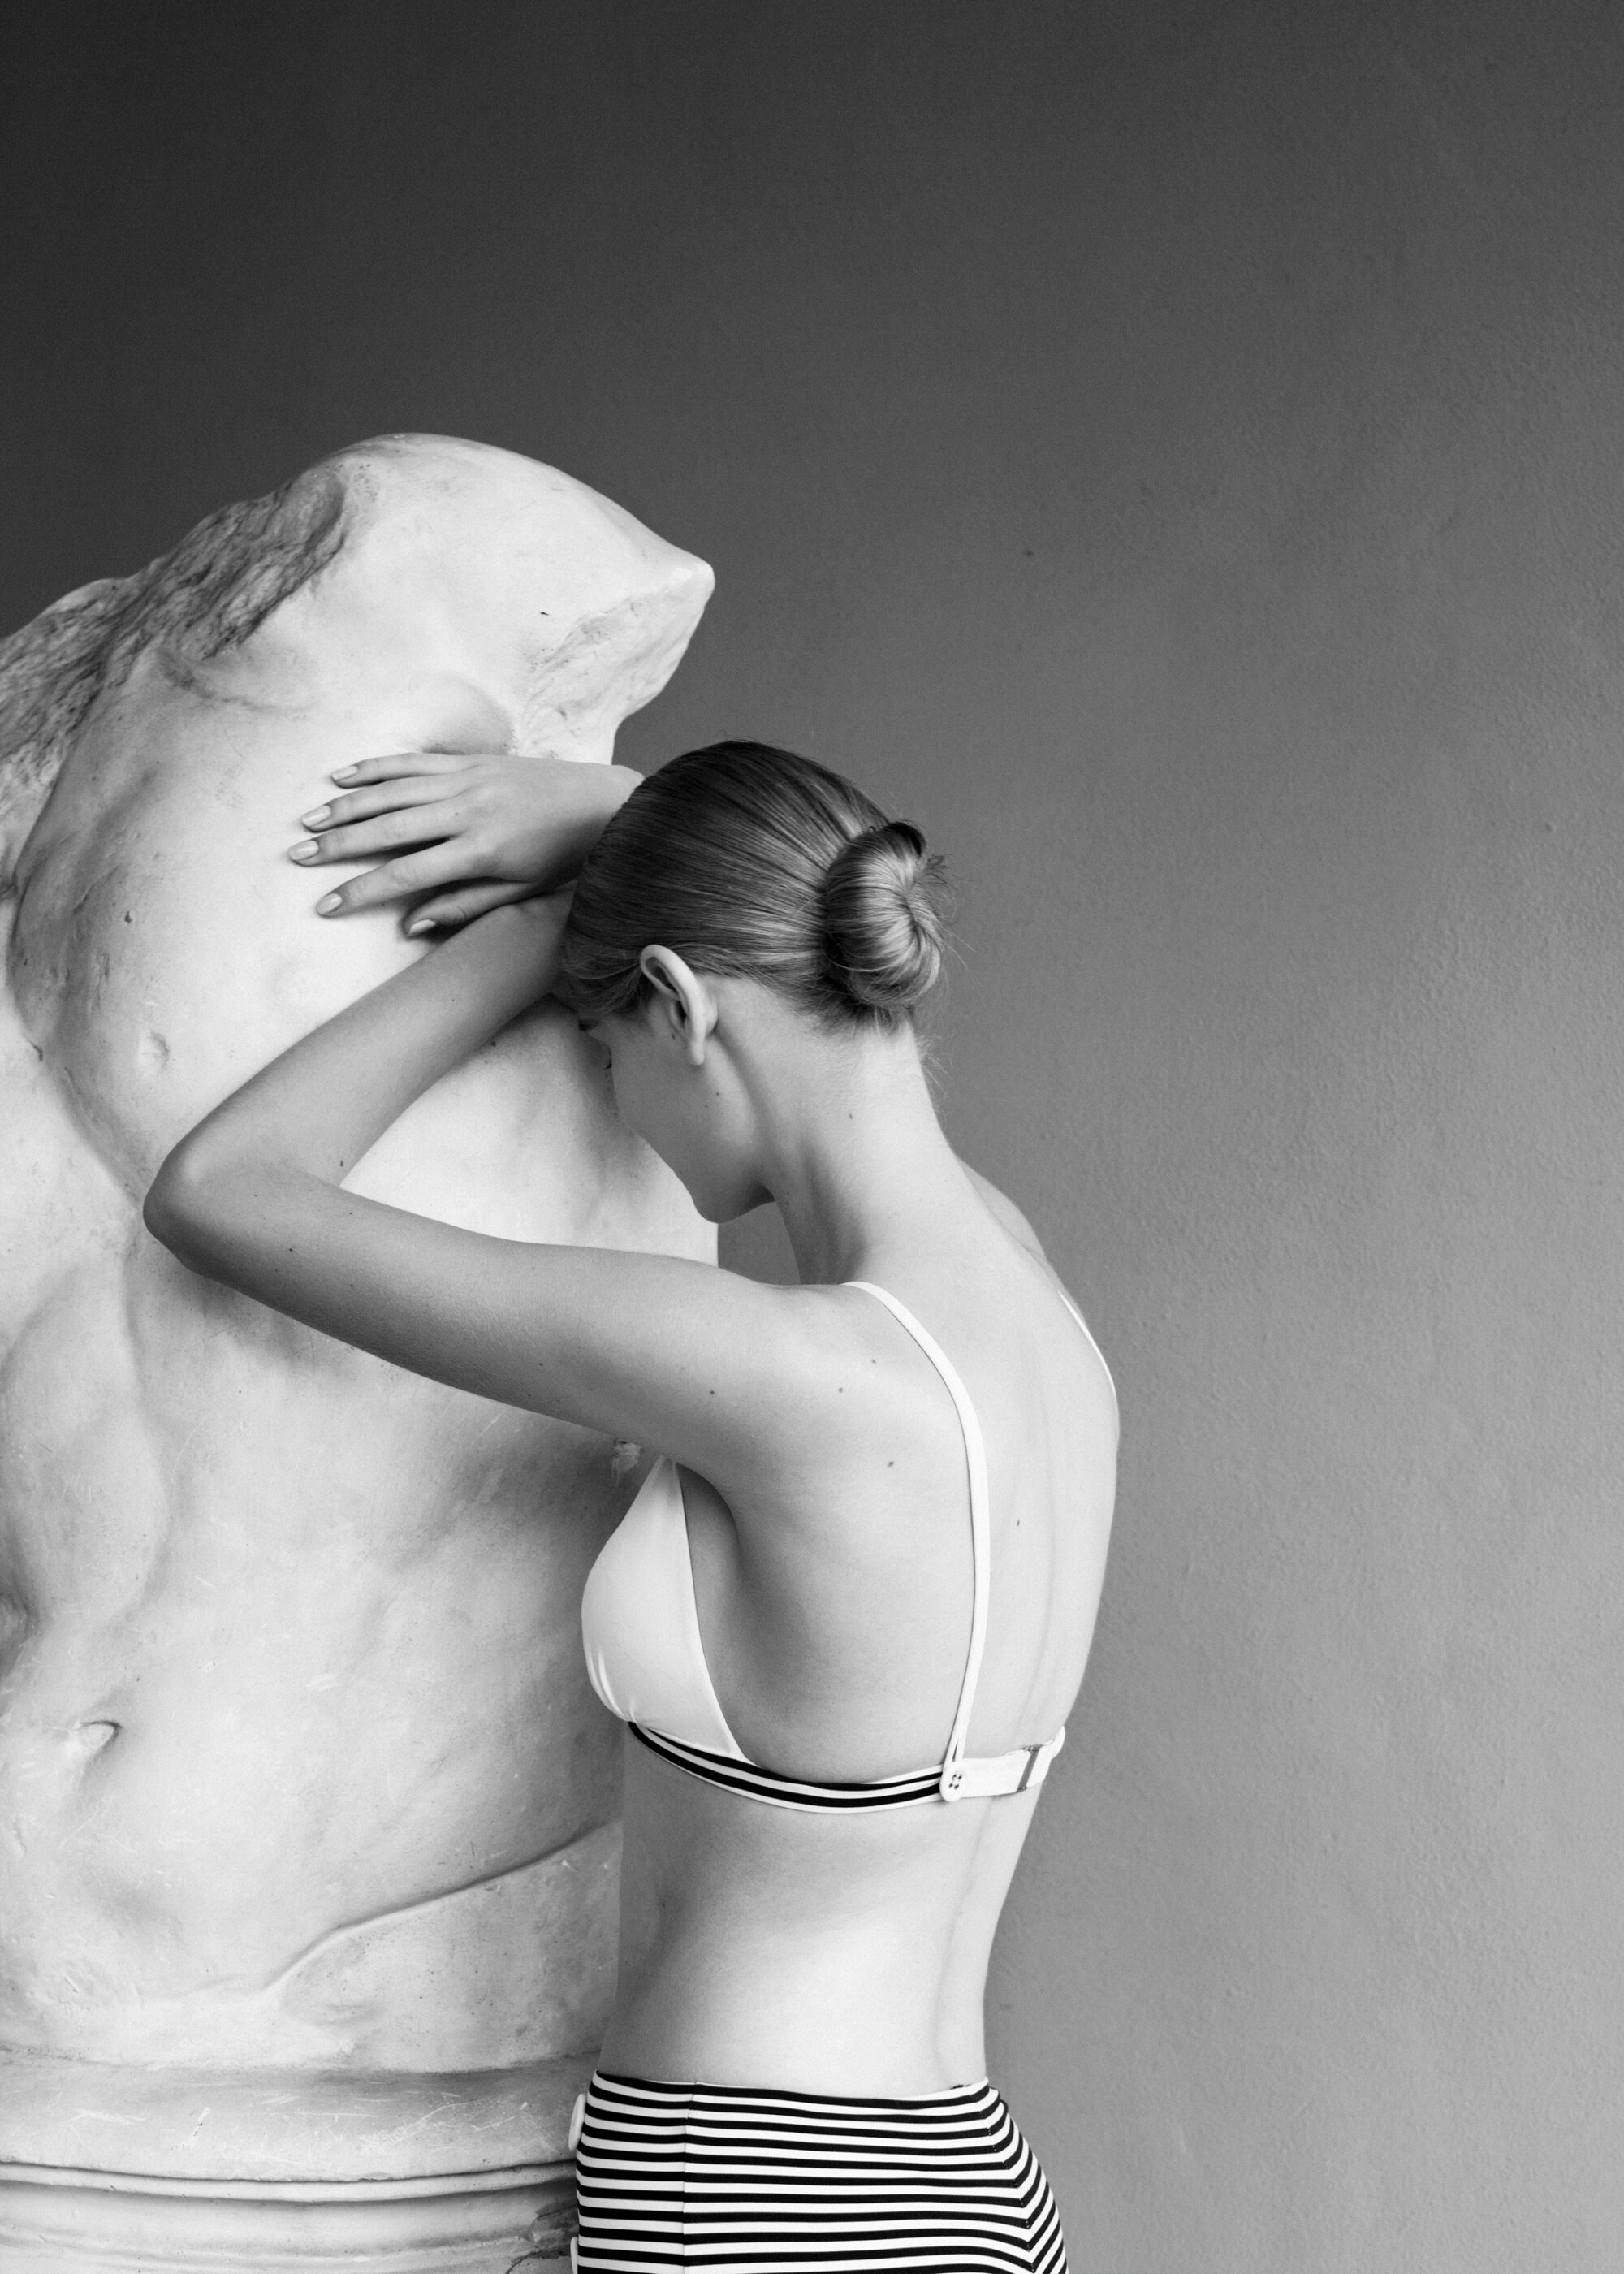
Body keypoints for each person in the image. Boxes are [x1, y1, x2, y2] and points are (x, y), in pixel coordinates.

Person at [144, 738, 1119, 2272]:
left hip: (769, 2214)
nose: (619, 1099)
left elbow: (223, 1190)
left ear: (676, 998)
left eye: (607, 1044)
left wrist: (538, 928)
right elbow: (777, 884)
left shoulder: (781, 1373)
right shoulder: (1032, 1300)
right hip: (968, 2186)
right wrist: (621, 834)